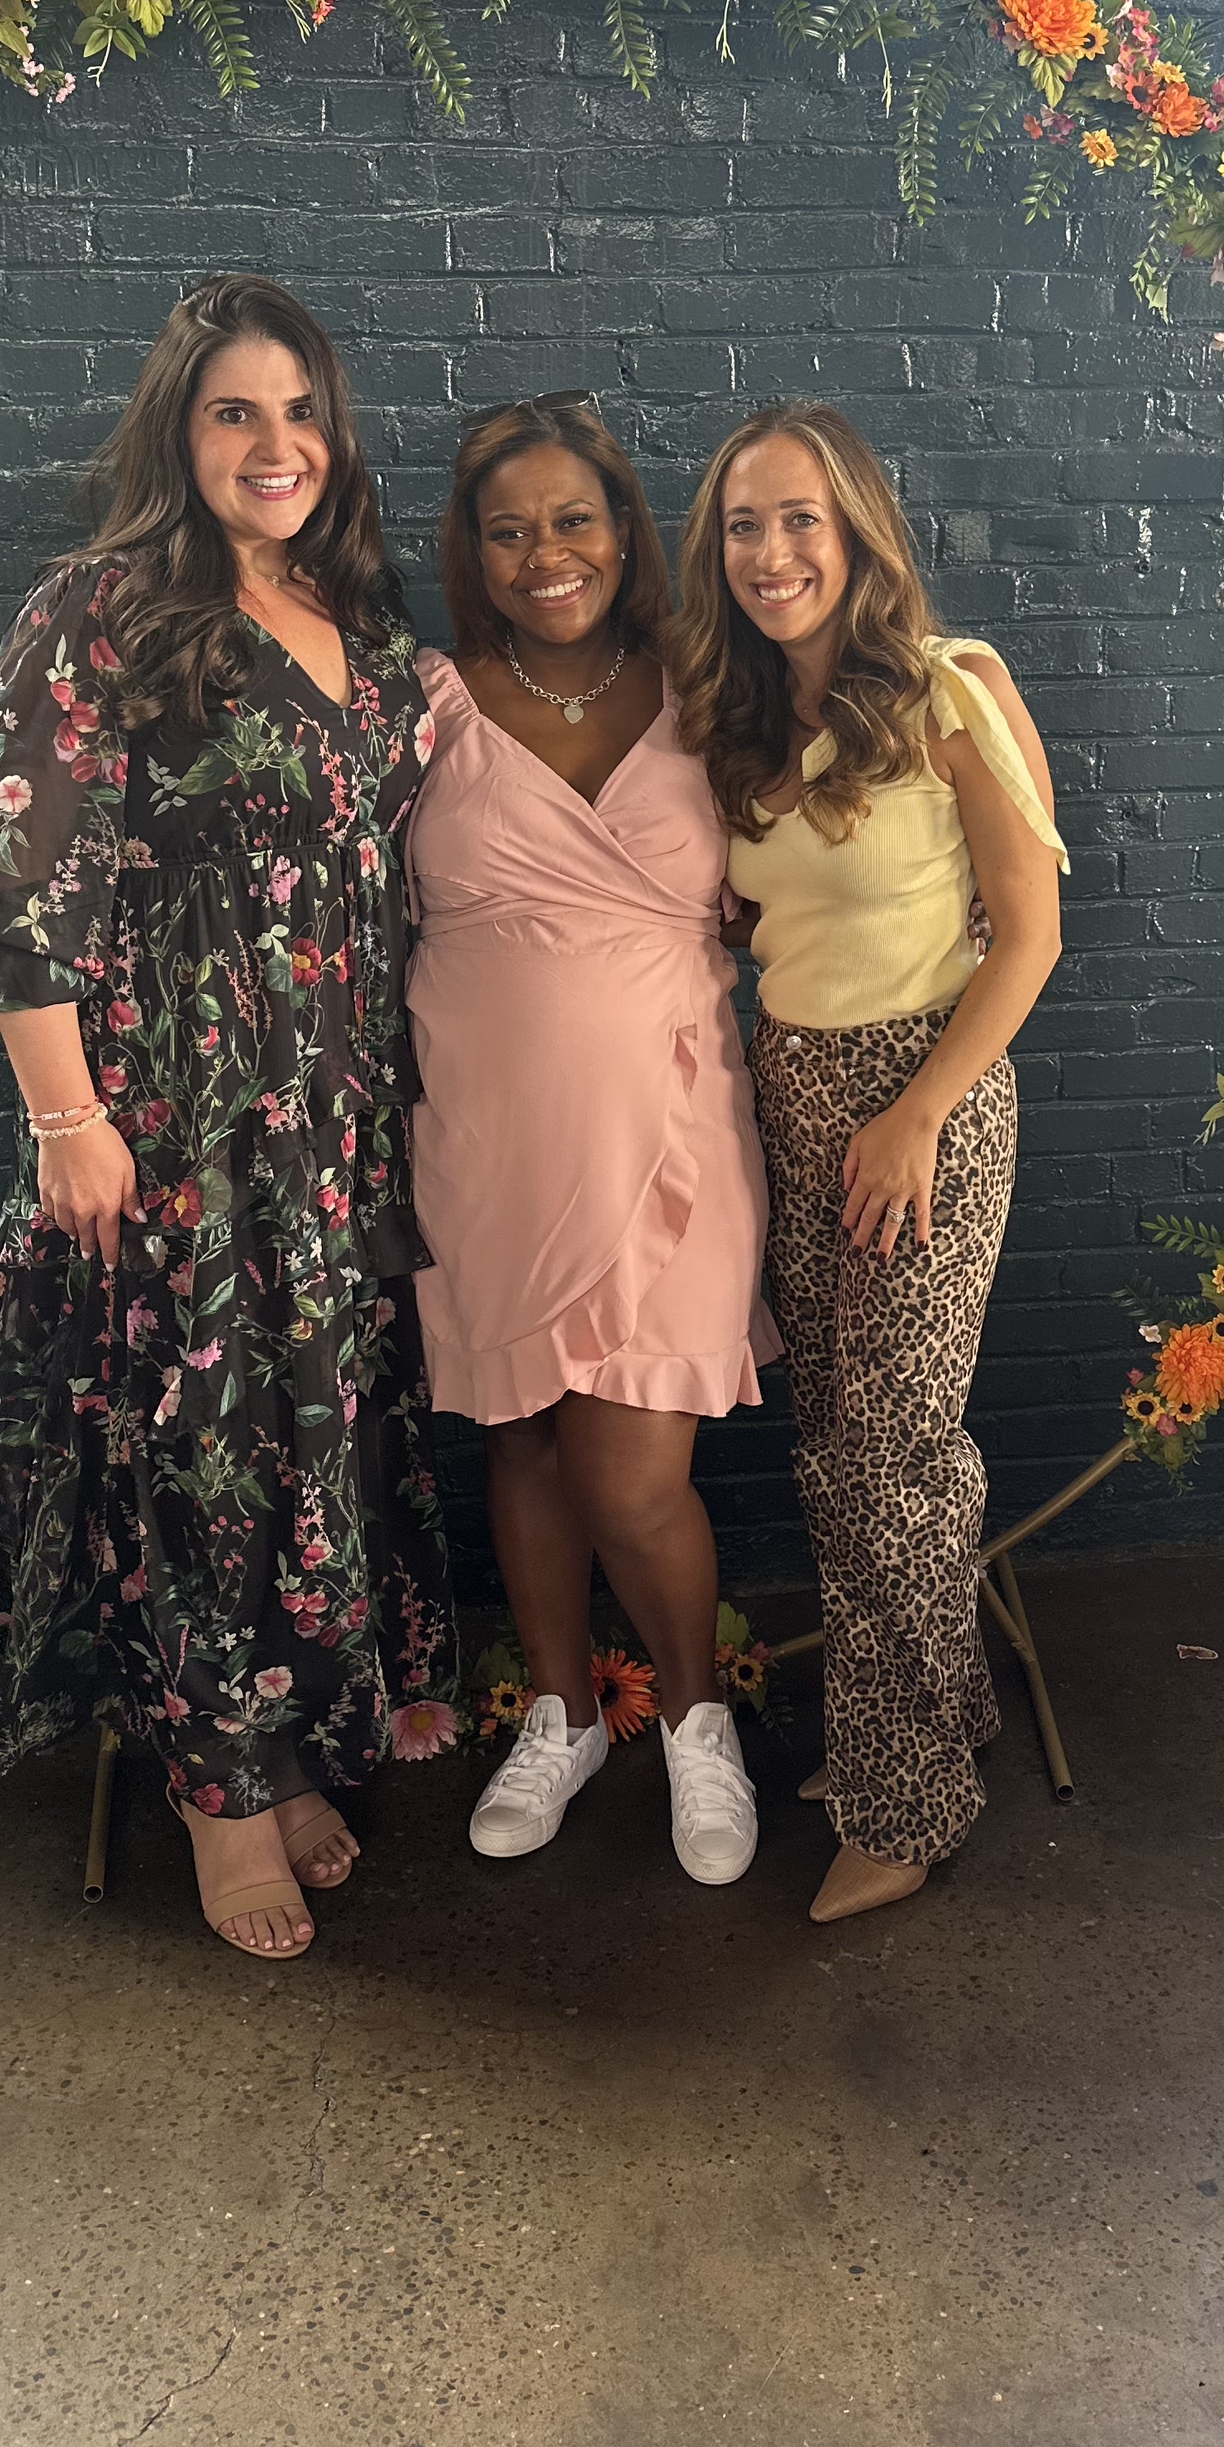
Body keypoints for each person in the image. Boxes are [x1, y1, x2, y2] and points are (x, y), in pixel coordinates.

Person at [0, 273, 453, 1963]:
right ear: (181, 427)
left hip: (335, 1127)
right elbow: (16, 891)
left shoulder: (359, 623)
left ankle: (284, 1743)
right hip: (172, 1123)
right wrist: (63, 1122)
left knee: (315, 1446)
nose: (276, 442)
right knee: (197, 1456)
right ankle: (214, 1789)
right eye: (237, 410)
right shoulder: (95, 612)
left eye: (302, 410)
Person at [671, 401, 1066, 1926]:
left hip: (929, 1094)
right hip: (792, 1095)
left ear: (858, 534)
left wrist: (916, 1116)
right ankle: (925, 1719)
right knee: (840, 1444)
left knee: (893, 1456)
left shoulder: (956, 691)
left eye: (801, 521)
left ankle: (909, 1806)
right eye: (744, 526)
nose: (772, 553)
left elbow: (1029, 933)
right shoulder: (746, 720)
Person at [407, 394, 776, 1886]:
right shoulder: (421, 701)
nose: (544, 554)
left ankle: (694, 1717)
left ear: (627, 533)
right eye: (510, 531)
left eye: (573, 520)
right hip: (485, 1138)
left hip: (677, 1131)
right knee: (526, 1445)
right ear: (473, 553)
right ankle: (559, 1712)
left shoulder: (713, 687)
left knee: (629, 1473)